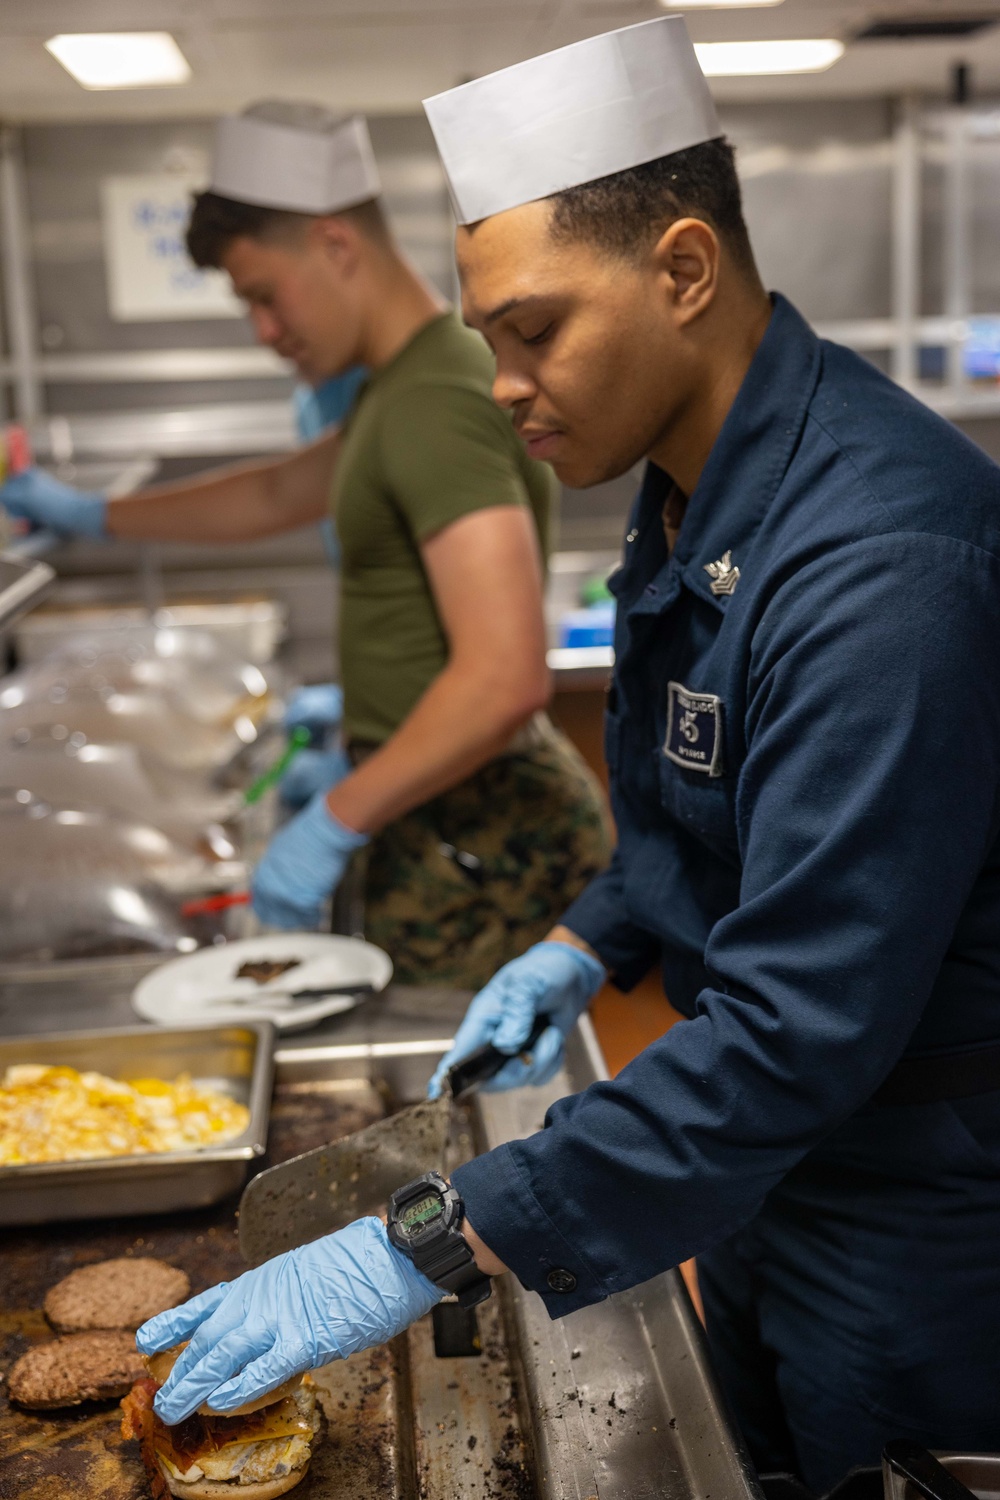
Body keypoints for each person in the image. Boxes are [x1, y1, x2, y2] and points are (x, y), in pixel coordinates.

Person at [135, 18, 1000, 1494]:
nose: (505, 382)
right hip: (761, 1168)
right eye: (489, 341)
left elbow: (799, 1028)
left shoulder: (882, 565)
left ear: (682, 271)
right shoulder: (689, 493)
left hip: (913, 1199)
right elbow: (696, 807)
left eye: (536, 330)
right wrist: (582, 944)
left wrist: (414, 1246)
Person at [0, 101, 612, 988]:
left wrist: (334, 816)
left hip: (480, 835)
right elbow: (282, 490)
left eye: (263, 295)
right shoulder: (400, 387)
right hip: (436, 809)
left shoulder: (433, 397)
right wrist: (96, 516)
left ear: (334, 247)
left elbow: (506, 673)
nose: (262, 330)